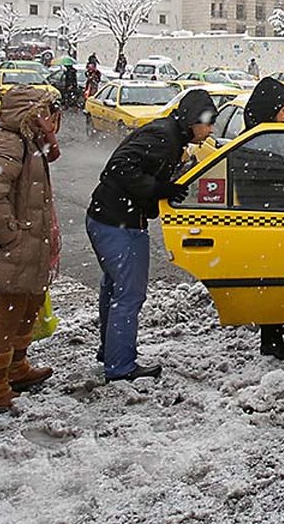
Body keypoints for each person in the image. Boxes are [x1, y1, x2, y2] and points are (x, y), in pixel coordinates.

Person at [86, 89, 218, 382]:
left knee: (114, 288)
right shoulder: (164, 136)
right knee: (129, 295)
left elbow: (138, 167)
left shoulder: (169, 134)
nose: (210, 131)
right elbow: (118, 168)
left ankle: (111, 351)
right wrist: (159, 189)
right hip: (118, 222)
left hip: (107, 217)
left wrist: (169, 179)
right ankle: (120, 366)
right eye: (207, 123)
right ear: (190, 120)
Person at [0, 86, 63, 414]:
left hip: (29, 248)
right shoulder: (9, 144)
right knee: (8, 317)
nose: (51, 118)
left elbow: (51, 154)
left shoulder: (30, 142)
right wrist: (11, 238)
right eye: (44, 112)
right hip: (14, 249)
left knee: (29, 307)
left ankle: (16, 368)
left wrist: (47, 135)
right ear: (29, 115)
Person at [241, 78, 284, 360]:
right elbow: (268, 186)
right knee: (274, 282)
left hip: (274, 221)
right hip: (271, 223)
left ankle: (279, 330)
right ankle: (272, 339)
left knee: (277, 281)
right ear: (270, 110)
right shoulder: (261, 143)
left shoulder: (263, 136)